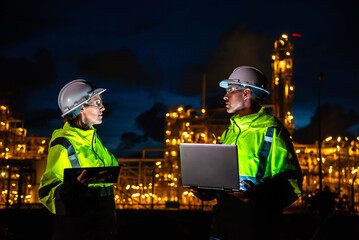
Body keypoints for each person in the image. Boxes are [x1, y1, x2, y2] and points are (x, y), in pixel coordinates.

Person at [194, 66, 302, 240]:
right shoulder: (230, 132)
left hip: (255, 226)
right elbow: (222, 180)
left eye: (230, 91)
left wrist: (255, 195)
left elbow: (290, 183)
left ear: (245, 93)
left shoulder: (272, 131)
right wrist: (206, 190)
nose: (224, 96)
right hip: (221, 225)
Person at [38, 79, 119, 240]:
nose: (103, 107)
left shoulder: (93, 139)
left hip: (103, 228)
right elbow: (47, 192)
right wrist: (75, 187)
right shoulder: (64, 144)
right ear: (82, 108)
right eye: (97, 103)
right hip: (78, 230)